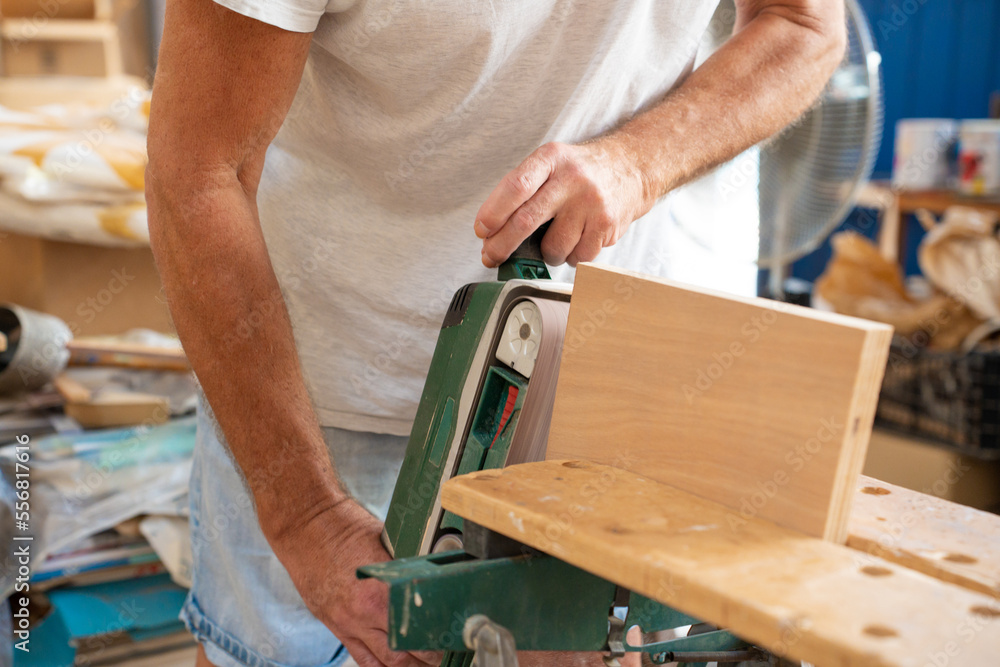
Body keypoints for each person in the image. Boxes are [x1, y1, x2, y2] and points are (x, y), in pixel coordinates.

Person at [145, 1, 845, 666]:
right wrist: (306, 518)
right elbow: (198, 174)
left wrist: (639, 162)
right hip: (333, 402)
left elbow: (802, 24)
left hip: (637, 395)